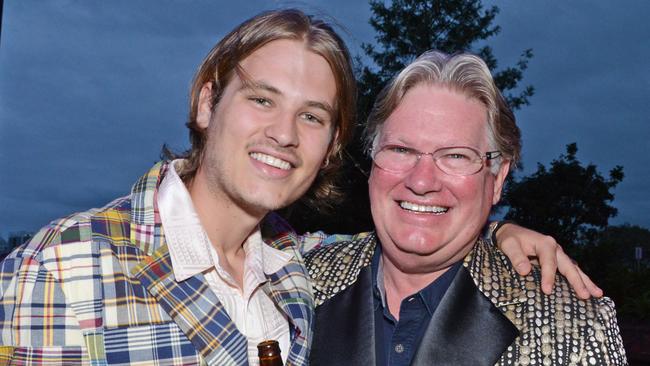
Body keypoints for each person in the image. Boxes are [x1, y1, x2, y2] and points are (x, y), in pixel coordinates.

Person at [0, 9, 599, 366]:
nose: (283, 133)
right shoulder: (65, 267)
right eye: (262, 99)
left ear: (331, 145)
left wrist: (496, 230)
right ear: (208, 102)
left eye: (312, 115)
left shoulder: (294, 265)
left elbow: (433, 223)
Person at [306, 50, 627, 365]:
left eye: (456, 156)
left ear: (498, 178)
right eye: (401, 149)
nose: (421, 181)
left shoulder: (574, 328)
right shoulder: (293, 285)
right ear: (372, 161)